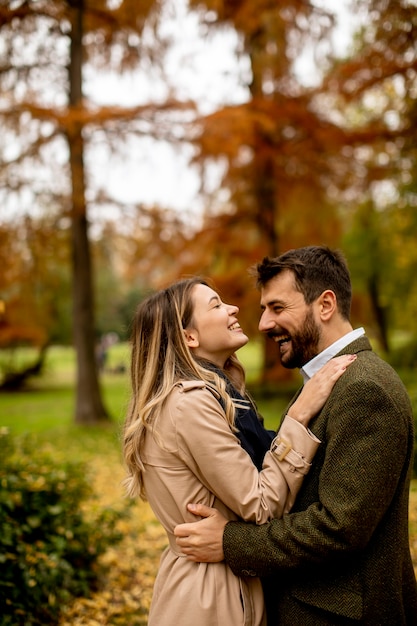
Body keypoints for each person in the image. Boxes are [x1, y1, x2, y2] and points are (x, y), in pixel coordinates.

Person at [175, 247, 417, 626]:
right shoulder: (329, 381)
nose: (264, 325)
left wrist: (229, 542)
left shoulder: (365, 389)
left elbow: (337, 529)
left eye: (277, 308)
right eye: (263, 310)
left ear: (325, 305)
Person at [123, 277, 355, 626]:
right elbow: (260, 504)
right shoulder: (191, 404)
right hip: (212, 599)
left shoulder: (216, 395)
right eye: (216, 305)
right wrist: (298, 416)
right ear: (189, 337)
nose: (233, 308)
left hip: (221, 585)